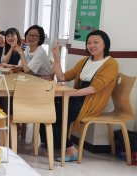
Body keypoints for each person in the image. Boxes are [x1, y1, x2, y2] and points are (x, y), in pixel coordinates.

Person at [50, 30, 118, 162]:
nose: (92, 45)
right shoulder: (85, 61)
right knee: (50, 108)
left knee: (56, 115)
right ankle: (55, 142)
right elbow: (62, 77)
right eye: (89, 43)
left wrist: (69, 93)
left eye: (96, 42)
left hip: (90, 101)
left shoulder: (111, 64)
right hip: (77, 96)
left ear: (105, 44)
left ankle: (70, 150)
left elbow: (94, 89)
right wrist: (56, 58)